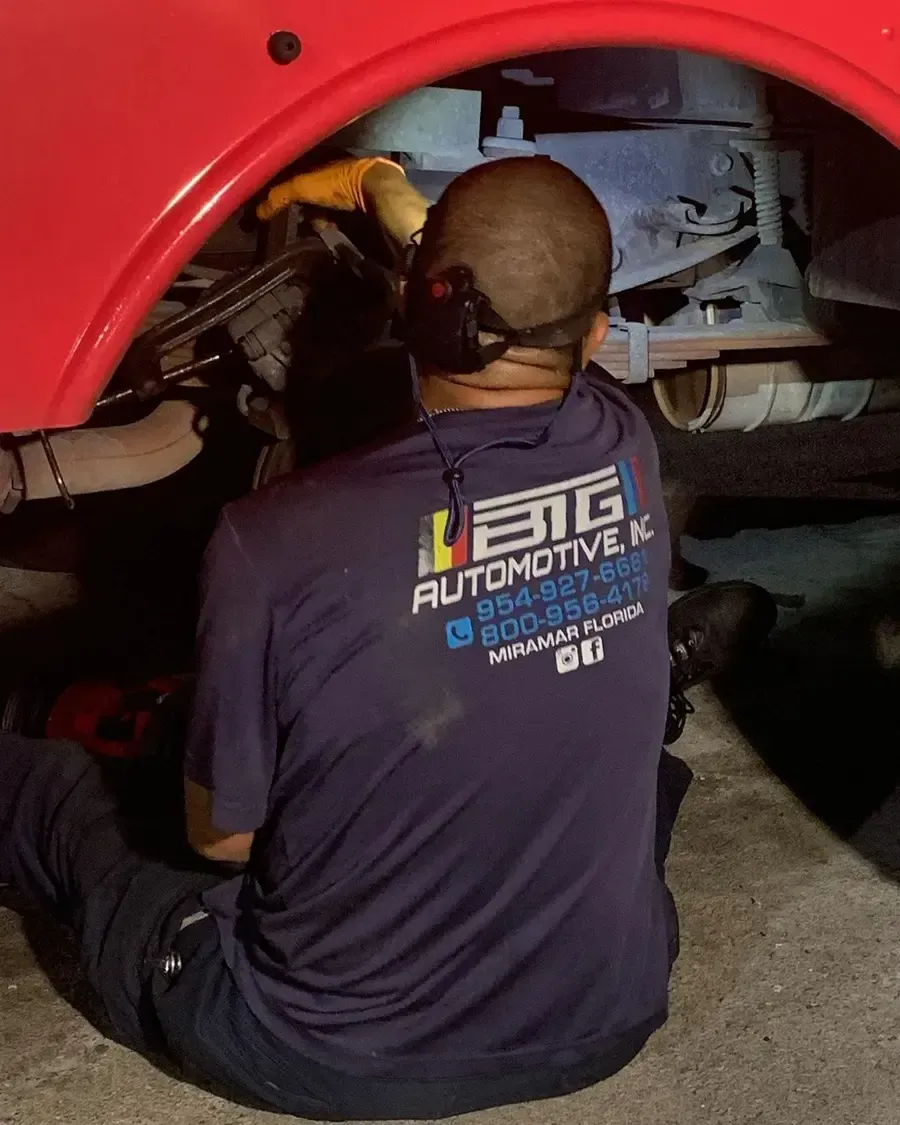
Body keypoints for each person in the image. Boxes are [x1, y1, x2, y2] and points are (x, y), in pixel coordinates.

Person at [0, 156, 775, 1118]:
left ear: (412, 304)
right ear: (601, 335)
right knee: (548, 735)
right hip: (608, 1014)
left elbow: (225, 838)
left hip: (320, 1046)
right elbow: (522, 310)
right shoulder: (624, 439)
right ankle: (632, 685)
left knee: (71, 794)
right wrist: (398, 212)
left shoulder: (271, 539)